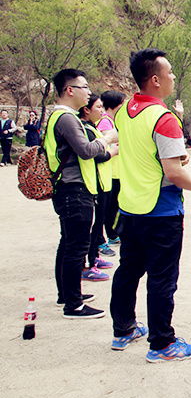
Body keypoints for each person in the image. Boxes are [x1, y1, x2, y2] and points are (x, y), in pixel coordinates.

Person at [110, 48, 191, 361]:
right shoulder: (164, 118)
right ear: (155, 80)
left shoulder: (124, 111)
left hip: (129, 208)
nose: (173, 77)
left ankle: (123, 329)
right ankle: (163, 343)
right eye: (169, 72)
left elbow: (142, 152)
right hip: (161, 212)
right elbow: (173, 173)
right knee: (162, 279)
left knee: (128, 272)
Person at [46, 69, 118, 318]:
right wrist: (107, 139)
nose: (88, 92)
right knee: (76, 247)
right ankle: (73, 305)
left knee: (68, 243)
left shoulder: (60, 116)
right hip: (74, 190)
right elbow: (86, 150)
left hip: (69, 189)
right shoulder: (66, 118)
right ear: (70, 90)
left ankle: (66, 295)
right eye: (84, 87)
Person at [79, 94, 118, 282]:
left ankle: (94, 257)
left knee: (99, 221)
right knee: (94, 226)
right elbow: (96, 155)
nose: (102, 111)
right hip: (95, 184)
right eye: (98, 107)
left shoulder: (93, 127)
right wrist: (113, 151)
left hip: (103, 182)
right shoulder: (86, 130)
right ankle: (89, 263)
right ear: (86, 110)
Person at [97, 90, 127, 247]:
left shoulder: (114, 121)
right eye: (122, 103)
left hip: (116, 170)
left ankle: (113, 233)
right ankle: (108, 235)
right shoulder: (105, 122)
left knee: (114, 205)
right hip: (110, 171)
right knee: (108, 207)